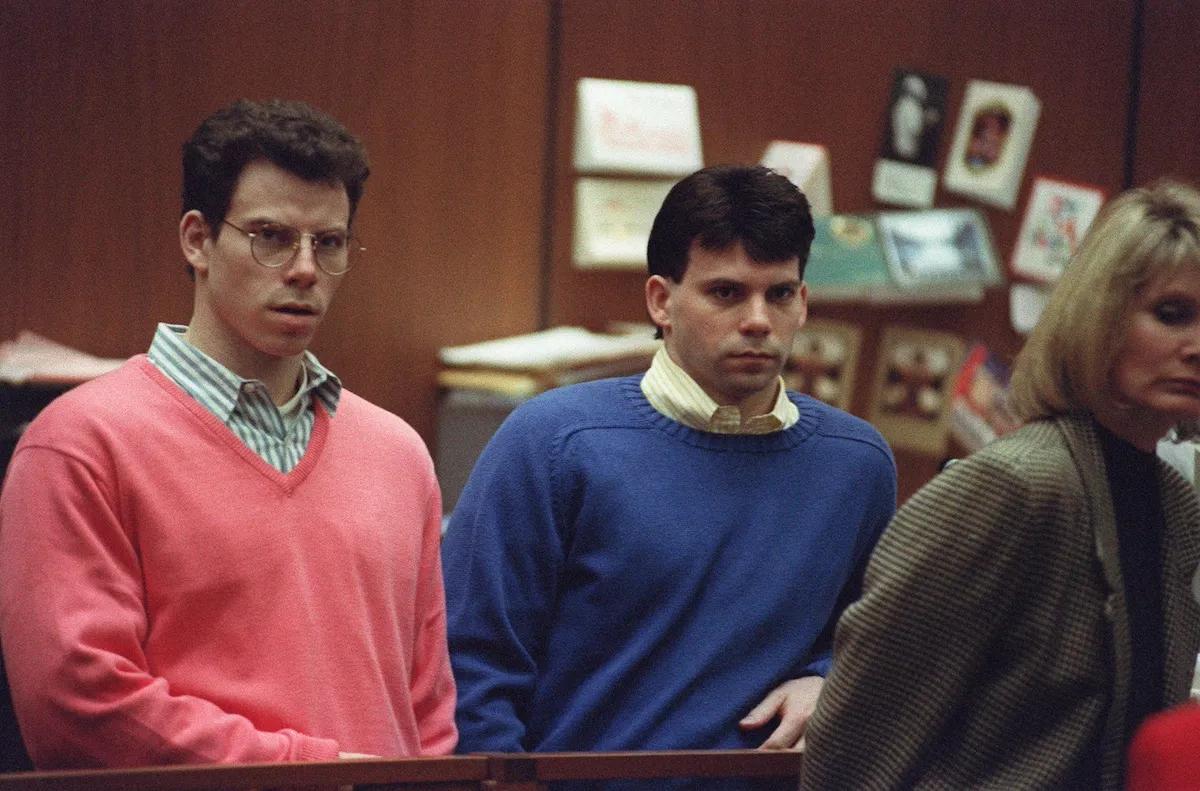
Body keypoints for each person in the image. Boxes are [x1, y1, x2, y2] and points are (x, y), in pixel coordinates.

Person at [0, 99, 457, 768]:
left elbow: (429, 715)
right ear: (197, 239)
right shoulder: (78, 443)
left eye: (328, 243)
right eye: (272, 236)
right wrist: (313, 771)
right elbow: (80, 705)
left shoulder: (398, 453)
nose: (305, 268)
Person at [442, 165, 897, 765]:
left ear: (804, 302)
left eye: (779, 293)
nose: (758, 319)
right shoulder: (555, 441)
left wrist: (830, 678)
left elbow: (883, 642)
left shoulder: (857, 464)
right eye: (726, 292)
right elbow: (470, 667)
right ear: (661, 300)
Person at [800, 180, 1200, 791]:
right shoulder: (1011, 485)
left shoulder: (1175, 505)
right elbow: (855, 743)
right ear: (1102, 318)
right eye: (1171, 314)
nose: (1195, 346)